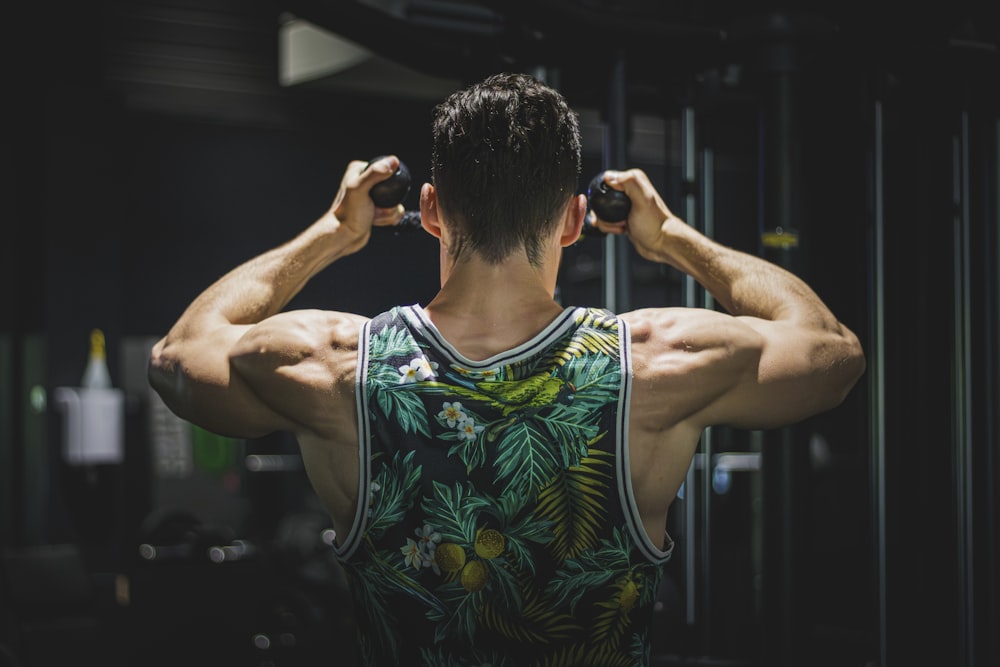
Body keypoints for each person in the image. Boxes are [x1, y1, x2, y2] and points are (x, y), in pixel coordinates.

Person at [148, 72, 865, 666]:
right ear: (576, 220)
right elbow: (832, 353)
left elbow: (179, 359)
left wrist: (331, 235)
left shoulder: (336, 364)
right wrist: (673, 238)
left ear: (429, 211)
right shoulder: (655, 360)